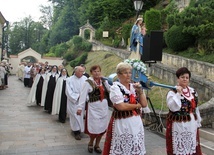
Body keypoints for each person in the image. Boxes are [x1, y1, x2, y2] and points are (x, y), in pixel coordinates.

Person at [102, 62, 148, 155]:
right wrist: (136, 106)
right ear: (119, 75)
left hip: (136, 122)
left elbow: (144, 104)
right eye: (125, 72)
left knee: (135, 145)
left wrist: (140, 92)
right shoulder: (115, 88)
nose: (128, 75)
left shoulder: (134, 86)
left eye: (130, 72)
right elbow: (121, 106)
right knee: (124, 147)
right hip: (123, 123)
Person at [166, 67, 202, 155]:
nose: (185, 79)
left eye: (187, 77)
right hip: (179, 124)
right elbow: (172, 107)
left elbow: (195, 108)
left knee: (191, 146)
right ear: (178, 78)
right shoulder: (172, 92)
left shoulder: (193, 91)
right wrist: (178, 94)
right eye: (182, 77)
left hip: (191, 124)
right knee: (179, 147)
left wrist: (198, 121)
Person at [77, 65, 110, 154]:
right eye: (95, 71)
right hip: (93, 109)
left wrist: (106, 82)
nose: (97, 73)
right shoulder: (88, 82)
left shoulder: (103, 81)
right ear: (91, 72)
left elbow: (110, 91)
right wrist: (80, 108)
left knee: (102, 127)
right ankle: (91, 142)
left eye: (98, 71)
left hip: (103, 108)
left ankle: (97, 145)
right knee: (94, 127)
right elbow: (83, 95)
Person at [66, 66, 87, 140]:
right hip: (74, 101)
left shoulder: (85, 79)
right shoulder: (69, 79)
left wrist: (84, 97)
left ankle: (80, 129)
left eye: (83, 71)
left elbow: (87, 89)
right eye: (80, 71)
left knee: (80, 116)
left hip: (82, 101)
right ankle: (76, 131)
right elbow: (68, 91)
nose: (82, 73)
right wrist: (77, 97)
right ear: (76, 71)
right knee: (74, 116)